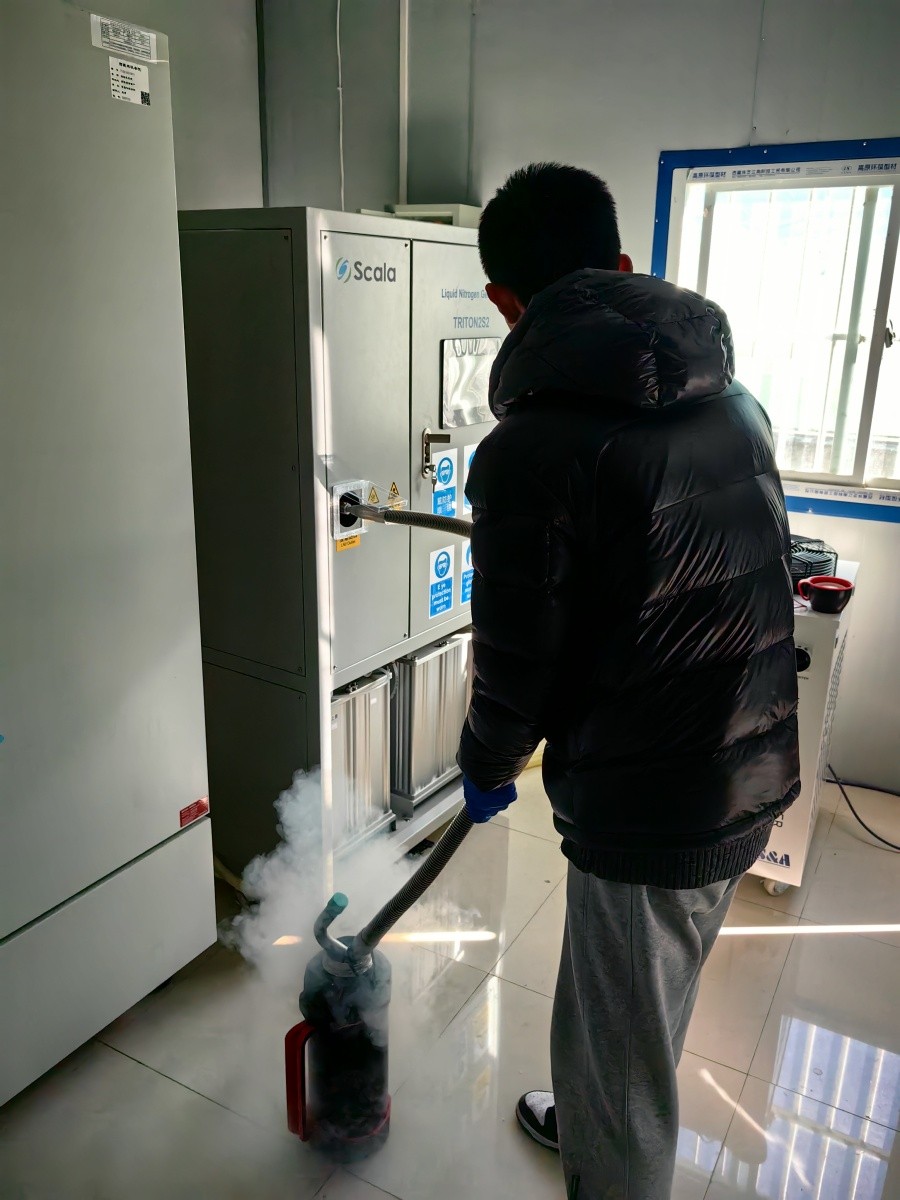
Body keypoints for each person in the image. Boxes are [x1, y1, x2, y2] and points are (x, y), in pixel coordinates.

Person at [457, 163, 800, 1200]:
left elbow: (517, 655)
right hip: (751, 761)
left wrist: (486, 760)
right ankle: (606, 1108)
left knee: (622, 1033)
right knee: (648, 996)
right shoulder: (734, 400)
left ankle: (613, 1146)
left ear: (504, 306)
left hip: (652, 804)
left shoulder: (529, 450)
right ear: (620, 264)